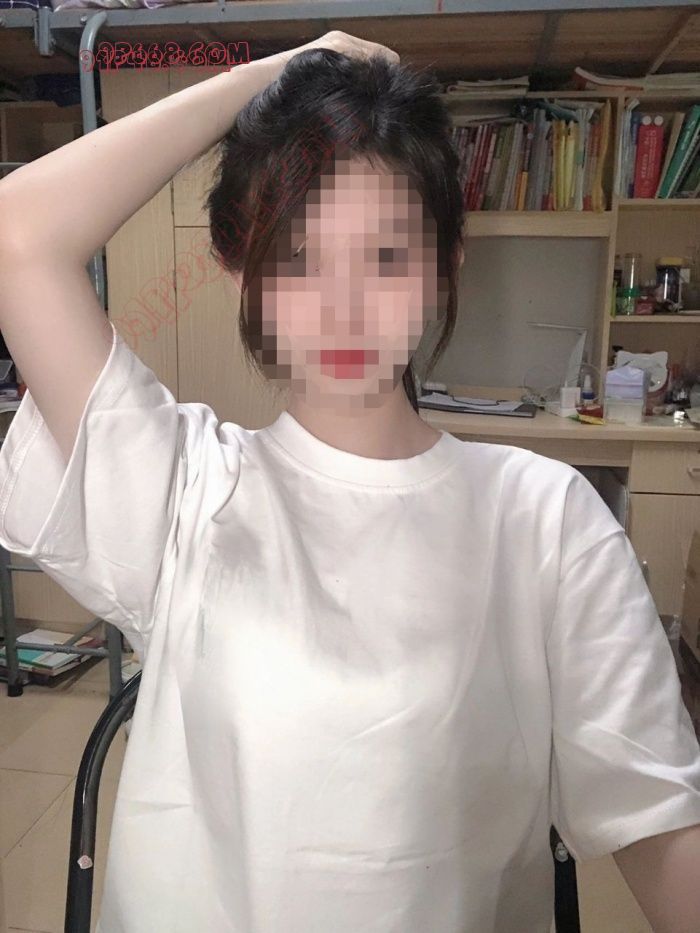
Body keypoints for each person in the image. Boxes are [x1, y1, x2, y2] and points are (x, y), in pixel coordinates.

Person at [0, 31, 699, 933]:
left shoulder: (546, 520)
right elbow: (19, 233)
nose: (342, 307)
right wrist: (271, 77)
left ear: (445, 264)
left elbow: (658, 817)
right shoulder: (184, 488)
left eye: (385, 257)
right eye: (296, 259)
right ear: (243, 277)